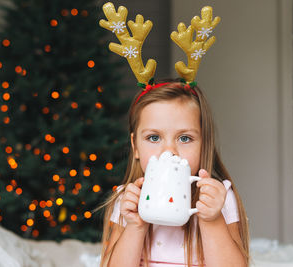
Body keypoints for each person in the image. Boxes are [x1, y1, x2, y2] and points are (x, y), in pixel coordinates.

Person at [97, 79, 250, 267]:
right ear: (135, 145)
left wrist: (213, 221)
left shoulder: (219, 197)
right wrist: (135, 225)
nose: (169, 151)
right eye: (154, 137)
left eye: (185, 138)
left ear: (204, 145)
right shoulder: (127, 200)